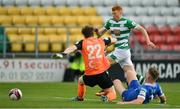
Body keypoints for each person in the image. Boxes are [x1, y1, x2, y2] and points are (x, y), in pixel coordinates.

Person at [95, 5, 156, 95]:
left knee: (102, 63)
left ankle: (106, 87)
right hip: (123, 51)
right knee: (132, 73)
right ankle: (153, 90)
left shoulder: (127, 22)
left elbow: (142, 29)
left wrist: (148, 41)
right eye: (112, 13)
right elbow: (100, 33)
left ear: (120, 12)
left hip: (122, 50)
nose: (113, 15)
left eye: (115, 13)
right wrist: (96, 32)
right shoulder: (110, 22)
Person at [53, 25, 117, 102]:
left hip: (90, 75)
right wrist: (105, 44)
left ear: (84, 34)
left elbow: (72, 48)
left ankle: (80, 98)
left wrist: (63, 53)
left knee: (80, 81)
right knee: (112, 93)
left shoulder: (83, 42)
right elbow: (114, 40)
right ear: (92, 33)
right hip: (102, 74)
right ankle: (107, 98)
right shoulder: (101, 40)